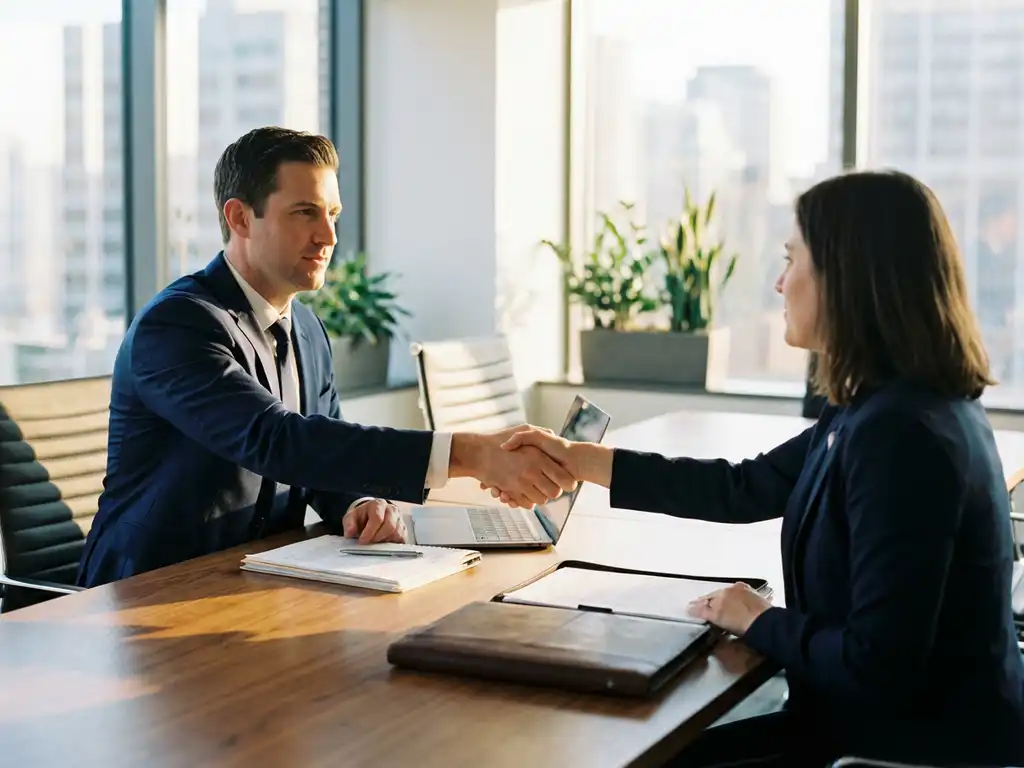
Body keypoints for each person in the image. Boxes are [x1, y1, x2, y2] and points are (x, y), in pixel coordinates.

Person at [489, 170, 1024, 765]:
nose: (778, 282)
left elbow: (878, 666)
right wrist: (584, 460)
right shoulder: (881, 406)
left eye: (792, 259)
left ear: (847, 279)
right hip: (862, 727)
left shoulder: (902, 436)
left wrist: (760, 619)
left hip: (902, 751)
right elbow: (741, 487)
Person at [77, 127, 574, 588]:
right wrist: (467, 453)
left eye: (332, 215)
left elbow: (321, 454)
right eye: (305, 213)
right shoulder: (177, 327)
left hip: (260, 579)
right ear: (239, 217)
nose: (328, 237)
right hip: (149, 588)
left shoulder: (308, 329)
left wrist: (360, 502)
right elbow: (276, 441)